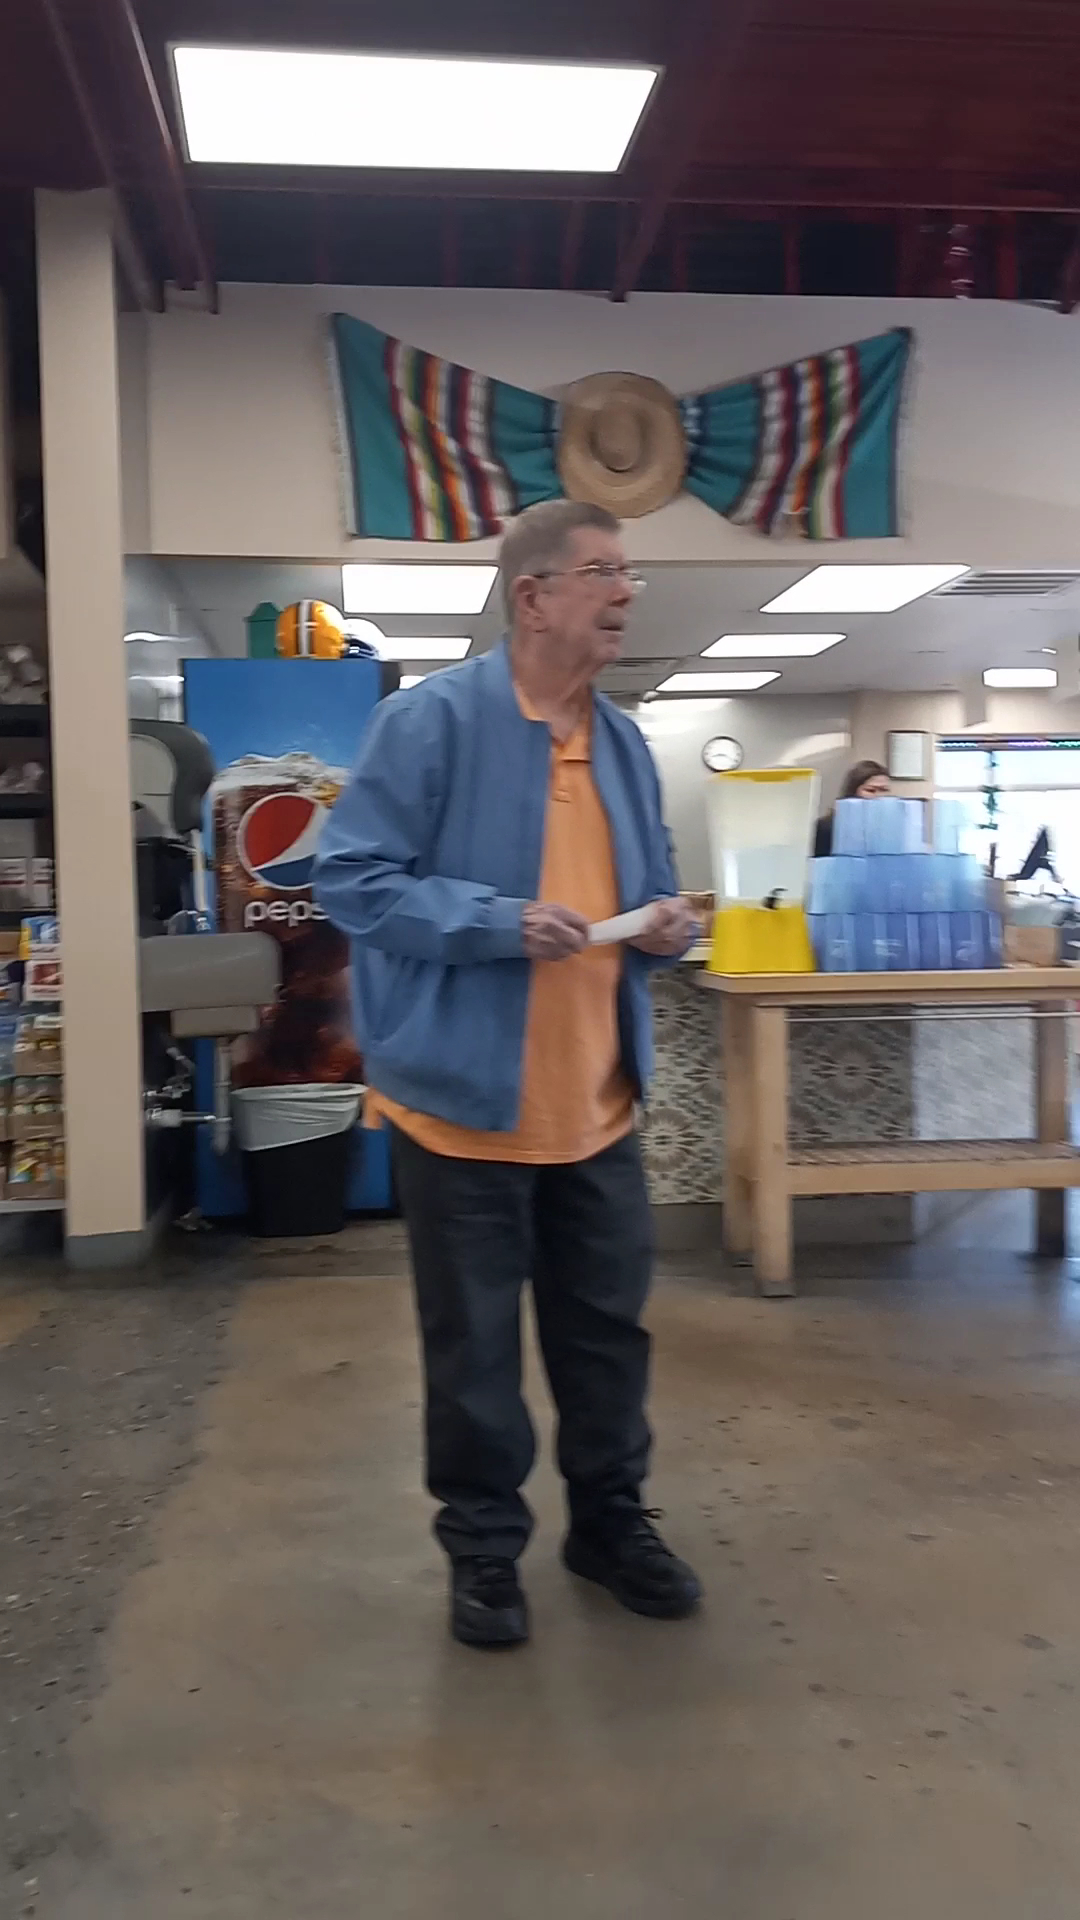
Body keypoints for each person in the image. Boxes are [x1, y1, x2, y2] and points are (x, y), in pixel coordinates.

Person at [315, 499, 702, 1650]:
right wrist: (493, 920)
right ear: (533, 598)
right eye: (603, 572)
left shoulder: (623, 742)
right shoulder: (428, 725)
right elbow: (353, 880)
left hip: (599, 1106)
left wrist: (667, 923)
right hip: (463, 1111)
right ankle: (484, 1549)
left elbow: (651, 882)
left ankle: (609, 1525)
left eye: (630, 575)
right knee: (473, 1350)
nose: (626, 594)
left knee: (607, 1337)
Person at [813, 759, 891, 856]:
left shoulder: (892, 827)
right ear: (853, 791)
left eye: (884, 790)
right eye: (870, 790)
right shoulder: (828, 826)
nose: (879, 796)